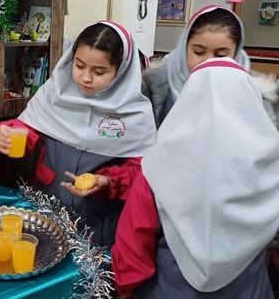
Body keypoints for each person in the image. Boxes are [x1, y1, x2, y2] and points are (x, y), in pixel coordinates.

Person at [112, 57, 279, 298]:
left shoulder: (162, 164)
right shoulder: (271, 166)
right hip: (248, 290)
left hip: (169, 289)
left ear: (188, 101)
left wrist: (124, 287)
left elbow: (136, 238)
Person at [0, 22, 156, 247]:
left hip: (99, 218)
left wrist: (108, 181)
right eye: (79, 65)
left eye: (99, 72)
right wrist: (4, 133)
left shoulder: (134, 113)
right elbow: (28, 128)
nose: (85, 78)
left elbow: (141, 171)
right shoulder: (56, 92)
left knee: (91, 273)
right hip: (49, 201)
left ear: (121, 72)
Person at [142, 5, 278, 129]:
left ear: (236, 54)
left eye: (221, 55)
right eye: (198, 52)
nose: (208, 62)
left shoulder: (257, 95)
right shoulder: (154, 86)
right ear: (184, 48)